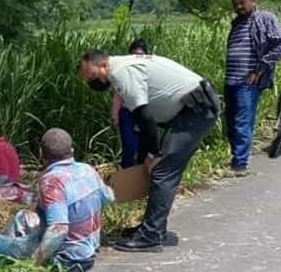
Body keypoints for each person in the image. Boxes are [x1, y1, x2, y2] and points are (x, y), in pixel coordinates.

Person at [78, 49, 220, 252]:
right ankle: (153, 229)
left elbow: (145, 118)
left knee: (163, 171)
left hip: (195, 109)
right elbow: (141, 120)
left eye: (92, 76)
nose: (92, 82)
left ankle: (151, 236)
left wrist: (153, 155)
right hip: (190, 109)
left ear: (103, 65)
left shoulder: (120, 72)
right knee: (161, 168)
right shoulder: (120, 68)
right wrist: (146, 156)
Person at [34, 128, 114, 272]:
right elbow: (109, 197)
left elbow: (59, 229)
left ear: (41, 153)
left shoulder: (52, 180)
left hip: (69, 258)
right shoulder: (88, 169)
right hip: (90, 249)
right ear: (71, 150)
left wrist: (34, 262)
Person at [224, 0, 281, 174]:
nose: (239, 7)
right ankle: (237, 158)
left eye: (242, 2)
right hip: (231, 80)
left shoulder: (264, 18)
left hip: (247, 82)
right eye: (236, 4)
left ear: (253, 1)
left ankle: (240, 164)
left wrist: (259, 69)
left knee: (243, 121)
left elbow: (280, 44)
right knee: (232, 122)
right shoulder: (237, 23)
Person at [111, 38, 149, 168]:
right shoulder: (124, 71)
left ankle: (140, 176)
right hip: (127, 113)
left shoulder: (150, 71)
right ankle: (126, 174)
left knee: (143, 145)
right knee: (130, 145)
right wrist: (115, 116)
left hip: (144, 113)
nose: (136, 57)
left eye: (140, 55)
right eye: (134, 54)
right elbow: (117, 95)